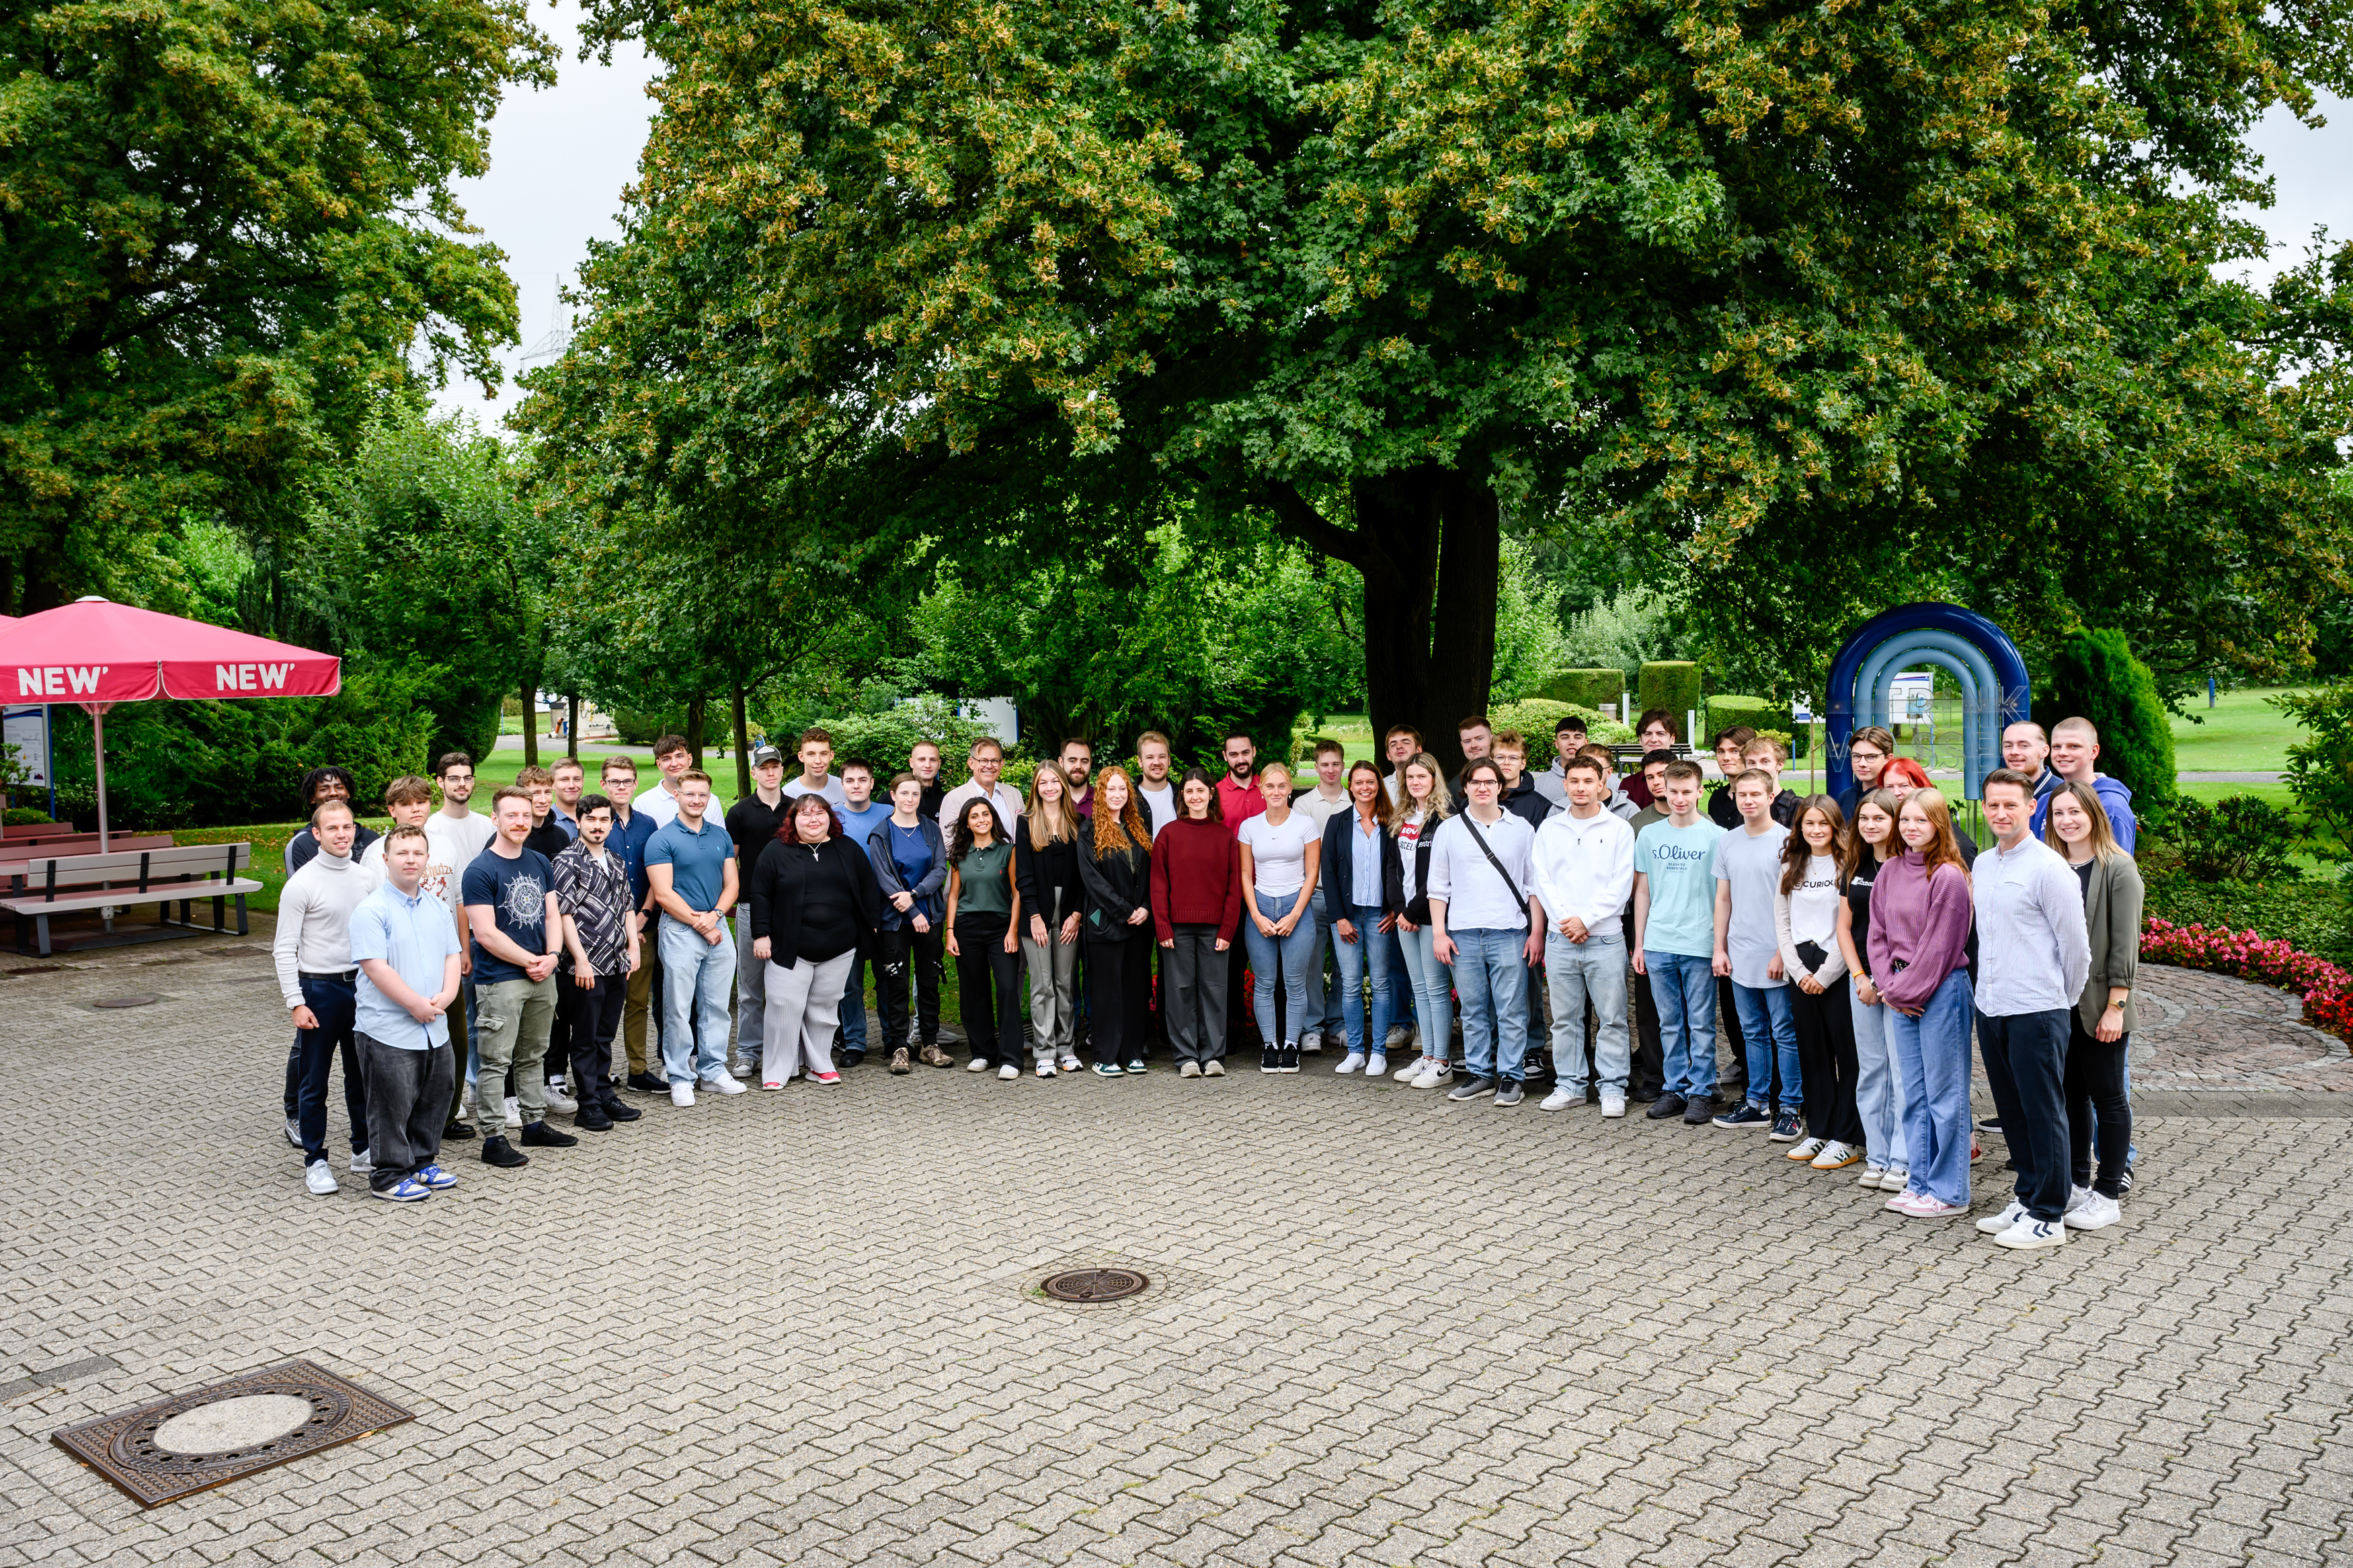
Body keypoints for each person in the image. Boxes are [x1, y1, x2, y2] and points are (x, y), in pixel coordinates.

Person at [1968, 768, 2093, 1250]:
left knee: (2045, 1112)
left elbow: (2076, 947)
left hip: (2038, 1009)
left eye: (2011, 805)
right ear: (1984, 808)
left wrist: (2060, 1000)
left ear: (2030, 808)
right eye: (1993, 805)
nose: (2001, 813)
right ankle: (2027, 1194)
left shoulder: (2048, 867)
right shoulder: (1982, 863)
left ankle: (2049, 1212)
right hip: (1992, 1004)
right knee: (2013, 1111)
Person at [1872, 788, 1977, 1220]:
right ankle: (1919, 1183)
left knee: (1945, 1097)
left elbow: (1940, 947)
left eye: (1922, 820)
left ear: (1939, 824)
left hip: (1941, 992)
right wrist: (1890, 987)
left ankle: (1950, 1192)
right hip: (1901, 992)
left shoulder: (1949, 876)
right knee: (1913, 1095)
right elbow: (1877, 936)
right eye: (1905, 820)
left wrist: (1901, 991)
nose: (1911, 828)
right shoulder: (1891, 870)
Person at [348, 823, 463, 1201]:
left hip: (435, 1023)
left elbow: (453, 954)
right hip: (388, 1027)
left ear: (427, 859)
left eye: (417, 853)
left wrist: (445, 997)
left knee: (435, 1094)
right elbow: (375, 967)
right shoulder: (371, 910)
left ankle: (421, 1162)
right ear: (386, 860)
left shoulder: (436, 906)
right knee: (391, 1103)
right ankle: (388, 1174)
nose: (410, 860)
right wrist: (416, 1004)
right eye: (402, 853)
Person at [2046, 780, 2141, 1233]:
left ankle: (2106, 1194)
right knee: (2070, 1096)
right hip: (2055, 1004)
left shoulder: (2118, 868)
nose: (2067, 820)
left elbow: (2125, 945)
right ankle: (2078, 1185)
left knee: (2108, 1097)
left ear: (2093, 815)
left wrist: (2116, 1006)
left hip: (2101, 1005)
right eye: (2059, 813)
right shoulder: (2051, 866)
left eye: (2075, 812)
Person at [461, 786, 572, 1167]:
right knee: (495, 1060)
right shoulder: (480, 869)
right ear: (495, 819)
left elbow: (551, 915)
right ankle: (493, 1138)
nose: (520, 822)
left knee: (534, 1055)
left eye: (525, 815)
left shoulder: (539, 861)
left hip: (544, 973)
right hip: (502, 979)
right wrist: (531, 960)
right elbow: (486, 933)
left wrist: (553, 956)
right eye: (511, 816)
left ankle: (533, 1123)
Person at [275, 797, 378, 1194]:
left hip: (363, 987)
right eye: (332, 828)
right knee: (314, 1081)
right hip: (319, 989)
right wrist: (295, 1001)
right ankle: (315, 1160)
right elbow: (284, 948)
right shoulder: (301, 884)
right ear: (316, 834)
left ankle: (362, 1149)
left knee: (361, 1076)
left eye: (348, 827)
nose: (342, 834)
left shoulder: (367, 879)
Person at [749, 792, 884, 1088]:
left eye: (820, 813)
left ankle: (819, 1064)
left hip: (839, 947)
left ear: (830, 817)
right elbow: (760, 895)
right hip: (789, 947)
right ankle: (778, 1069)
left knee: (823, 1010)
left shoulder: (847, 849)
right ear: (793, 820)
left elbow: (868, 886)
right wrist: (761, 935)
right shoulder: (775, 852)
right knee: (784, 1007)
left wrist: (872, 924)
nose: (814, 820)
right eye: (806, 815)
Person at [1429, 758, 1542, 1104]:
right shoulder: (1449, 829)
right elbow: (1438, 886)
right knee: (1474, 1009)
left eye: (1489, 782)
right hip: (1463, 933)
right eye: (1475, 782)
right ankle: (1480, 1074)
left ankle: (1511, 1077)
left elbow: (1533, 884)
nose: (1482, 788)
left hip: (1509, 932)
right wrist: (1439, 933)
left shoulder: (1521, 828)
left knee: (1511, 1010)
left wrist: (1536, 932)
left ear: (1499, 787)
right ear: (1464, 788)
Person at [1531, 756, 1636, 1116]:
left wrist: (1586, 921)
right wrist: (1565, 920)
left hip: (1605, 938)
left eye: (1588, 781)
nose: (1580, 788)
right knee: (1564, 1019)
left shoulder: (1620, 829)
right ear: (1565, 784)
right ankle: (1570, 1085)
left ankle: (1612, 1088)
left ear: (1602, 781)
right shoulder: (1550, 829)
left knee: (1611, 1017)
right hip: (1562, 939)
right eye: (1574, 781)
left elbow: (1621, 885)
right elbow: (1541, 879)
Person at [1633, 759, 1726, 1124]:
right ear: (1664, 791)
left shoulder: (1715, 836)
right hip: (1659, 942)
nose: (1680, 798)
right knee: (1668, 1022)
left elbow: (1723, 896)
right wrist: (1640, 943)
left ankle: (1701, 1091)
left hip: (1698, 942)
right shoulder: (1649, 835)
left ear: (1700, 791)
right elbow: (1643, 891)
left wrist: (1720, 945)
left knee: (1701, 1022)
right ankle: (1675, 1087)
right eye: (1673, 792)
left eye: (1688, 792)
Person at [1710, 770, 1802, 1137]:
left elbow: (1794, 903)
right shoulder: (1727, 843)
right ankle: (1756, 1103)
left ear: (1769, 797)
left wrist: (1784, 952)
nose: (1748, 801)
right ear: (1734, 798)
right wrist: (1720, 948)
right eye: (1742, 795)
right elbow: (1723, 898)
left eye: (1755, 795)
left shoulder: (1787, 842)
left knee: (1784, 1032)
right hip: (1740, 952)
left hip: (1775, 952)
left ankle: (1791, 1107)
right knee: (1752, 1031)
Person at [1776, 798, 1864, 1168]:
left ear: (1836, 826)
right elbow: (1782, 921)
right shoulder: (1791, 864)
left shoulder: (1848, 863)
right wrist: (1797, 971)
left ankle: (1848, 1137)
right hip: (1801, 966)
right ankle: (1820, 1131)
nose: (1815, 830)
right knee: (1812, 1054)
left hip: (1836, 968)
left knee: (1848, 1055)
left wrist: (1826, 975)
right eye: (1808, 824)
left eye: (1823, 824)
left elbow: (1852, 926)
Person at [645, 771, 742, 1106]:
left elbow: (732, 884)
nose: (697, 800)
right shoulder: (662, 839)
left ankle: (713, 1070)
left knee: (717, 1006)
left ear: (710, 798)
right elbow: (663, 893)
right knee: (678, 1007)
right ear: (678, 796)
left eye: (703, 795)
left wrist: (715, 917)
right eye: (690, 794)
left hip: (717, 929)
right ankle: (679, 1076)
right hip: (680, 930)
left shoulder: (721, 836)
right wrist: (702, 924)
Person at [551, 793, 643, 1132]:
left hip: (617, 961)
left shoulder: (616, 861)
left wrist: (633, 946)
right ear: (579, 822)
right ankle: (587, 1102)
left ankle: (605, 1093)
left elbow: (628, 907)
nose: (598, 826)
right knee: (585, 1036)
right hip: (585, 965)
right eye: (591, 820)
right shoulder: (565, 862)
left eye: (604, 820)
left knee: (606, 1034)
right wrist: (580, 959)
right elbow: (563, 914)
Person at [1835, 790, 1910, 1193]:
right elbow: (1844, 929)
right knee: (1872, 1071)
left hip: (1901, 983)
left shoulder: (1909, 866)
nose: (1870, 825)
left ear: (1896, 821)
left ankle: (1902, 1159)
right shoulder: (1855, 865)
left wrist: (1887, 981)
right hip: (1862, 982)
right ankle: (1878, 1156)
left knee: (1902, 1073)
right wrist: (1860, 976)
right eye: (1864, 818)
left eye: (1880, 818)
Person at [1152, 768, 1243, 1076]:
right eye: (1189, 792)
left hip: (1216, 929)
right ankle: (1186, 1058)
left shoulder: (1225, 835)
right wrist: (1163, 925)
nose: (1195, 797)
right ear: (1183, 797)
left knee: (1215, 990)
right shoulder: (1168, 834)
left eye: (1200, 791)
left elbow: (1235, 887)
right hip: (1176, 929)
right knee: (1180, 991)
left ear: (1210, 794)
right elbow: (1159, 884)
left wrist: (1229, 928)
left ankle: (1213, 1056)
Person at [1236, 760, 1322, 1073]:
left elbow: (1312, 872)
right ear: (1261, 790)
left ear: (1289, 789)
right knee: (1265, 983)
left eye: (1282, 786)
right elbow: (1246, 874)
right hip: (1260, 904)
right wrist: (1256, 915)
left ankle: (1290, 1046)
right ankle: (1270, 1046)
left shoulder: (1305, 825)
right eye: (1270, 786)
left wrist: (1295, 914)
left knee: (1295, 983)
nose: (1276, 791)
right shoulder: (1250, 827)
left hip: (1295, 905)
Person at [426, 753, 495, 1139]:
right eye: (453, 778)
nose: (462, 785)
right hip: (451, 938)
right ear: (440, 783)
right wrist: (462, 946)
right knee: (461, 1017)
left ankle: (480, 1083)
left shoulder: (486, 824)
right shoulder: (432, 828)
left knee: (484, 1015)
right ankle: (459, 1090)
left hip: (487, 932)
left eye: (468, 778)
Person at [1321, 761, 1398, 1077]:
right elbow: (1328, 871)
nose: (1365, 787)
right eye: (1358, 782)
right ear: (1350, 786)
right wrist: (1339, 918)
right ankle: (1355, 1051)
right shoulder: (1337, 822)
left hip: (1380, 916)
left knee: (1380, 984)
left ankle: (1378, 1052)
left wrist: (1396, 909)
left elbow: (1400, 870)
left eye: (1371, 782)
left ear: (1378, 785)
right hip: (1348, 917)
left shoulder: (1392, 823)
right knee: (1350, 985)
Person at [869, 772, 951, 1071]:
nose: (909, 799)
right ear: (893, 795)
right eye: (904, 793)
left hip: (930, 917)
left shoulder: (930, 829)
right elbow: (885, 878)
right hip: (895, 921)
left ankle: (930, 1044)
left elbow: (941, 868)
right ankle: (900, 1046)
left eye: (915, 794)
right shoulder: (881, 834)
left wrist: (916, 896)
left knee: (929, 979)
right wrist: (912, 912)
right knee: (897, 982)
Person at [1078, 766, 1156, 1075]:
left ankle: (1133, 1051)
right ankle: (1104, 1056)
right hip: (1107, 922)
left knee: (1136, 989)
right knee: (1108, 991)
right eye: (1111, 789)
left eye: (1123, 789)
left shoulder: (1137, 827)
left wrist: (1146, 907)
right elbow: (1092, 880)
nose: (1117, 795)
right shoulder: (1089, 830)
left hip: (1140, 923)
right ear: (1101, 793)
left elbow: (1150, 874)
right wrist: (1124, 910)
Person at [723, 745, 793, 1079]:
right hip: (751, 907)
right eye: (763, 768)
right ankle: (748, 1053)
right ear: (754, 773)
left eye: (775, 767)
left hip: (790, 909)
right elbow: (730, 863)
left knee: (787, 986)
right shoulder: (739, 813)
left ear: (783, 771)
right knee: (751, 986)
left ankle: (784, 1051)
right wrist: (733, 899)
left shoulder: (796, 809)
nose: (770, 772)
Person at [945, 796, 1026, 1079]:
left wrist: (1013, 931)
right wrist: (950, 932)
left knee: (1006, 989)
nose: (981, 819)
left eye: (986, 814)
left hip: (1000, 927)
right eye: (975, 816)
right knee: (973, 991)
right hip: (966, 927)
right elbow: (954, 895)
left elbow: (1017, 894)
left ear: (993, 817)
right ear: (967, 823)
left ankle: (1011, 1058)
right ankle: (982, 1053)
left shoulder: (1008, 850)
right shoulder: (959, 853)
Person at [1014, 763, 1086, 1075]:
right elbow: (1024, 875)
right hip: (1037, 912)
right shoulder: (1026, 822)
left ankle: (1066, 1049)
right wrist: (1033, 916)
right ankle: (1044, 1052)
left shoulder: (1078, 821)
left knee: (1065, 982)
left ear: (1062, 784)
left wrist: (1077, 914)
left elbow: (1086, 874)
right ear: (1036, 788)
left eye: (1054, 780)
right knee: (1042, 984)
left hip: (1070, 911)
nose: (1049, 787)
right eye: (1042, 782)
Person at [599, 755, 666, 1093]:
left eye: (627, 781)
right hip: (602, 933)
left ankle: (637, 1071)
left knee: (639, 1001)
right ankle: (601, 1072)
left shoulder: (648, 824)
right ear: (604, 785)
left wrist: (642, 917)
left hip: (643, 926)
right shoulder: (595, 822)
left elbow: (658, 874)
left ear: (636, 784)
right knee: (604, 1003)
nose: (621, 787)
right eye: (614, 781)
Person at [1390, 755, 1457, 1089]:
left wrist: (1413, 911)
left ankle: (1443, 1062)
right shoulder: (1402, 817)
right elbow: (1393, 867)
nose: (1415, 781)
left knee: (1436, 988)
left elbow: (1437, 873)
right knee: (1420, 989)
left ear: (1435, 778)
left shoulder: (1445, 819)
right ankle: (1428, 1056)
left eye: (1422, 776)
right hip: (1406, 917)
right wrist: (1401, 909)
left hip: (1431, 915)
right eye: (1410, 776)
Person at [1620, 750, 1679, 1102]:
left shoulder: (1703, 823)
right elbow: (1633, 883)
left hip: (1691, 929)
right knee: (1648, 1006)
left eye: (1665, 775)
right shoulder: (1638, 824)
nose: (1659, 782)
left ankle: (1695, 1076)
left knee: (1691, 1008)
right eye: (1652, 777)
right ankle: (1655, 1076)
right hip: (1649, 926)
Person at [1288, 739, 1353, 1054]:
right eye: (1324, 764)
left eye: (1336, 764)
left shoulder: (1353, 801)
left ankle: (1338, 1024)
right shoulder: (1304, 804)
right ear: (1316, 767)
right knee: (1312, 964)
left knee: (1345, 964)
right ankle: (1311, 1027)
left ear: (1343, 766)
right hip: (1313, 894)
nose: (1330, 770)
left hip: (1347, 897)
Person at [832, 760, 893, 1067]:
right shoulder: (830, 817)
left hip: (887, 908)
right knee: (850, 982)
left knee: (887, 976)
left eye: (863, 780)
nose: (856, 785)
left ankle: (892, 1039)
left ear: (872, 784)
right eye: (850, 780)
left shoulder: (888, 813)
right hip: (847, 911)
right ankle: (854, 1041)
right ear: (841, 784)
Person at [2040, 717, 2137, 851]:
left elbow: (2117, 868)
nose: (2062, 753)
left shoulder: (2112, 806)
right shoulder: (2044, 802)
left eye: (2074, 746)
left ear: (2094, 751)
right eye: (2057, 747)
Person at [1878, 758, 1980, 863]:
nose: (1896, 792)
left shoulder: (1952, 837)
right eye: (1889, 787)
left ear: (1921, 786)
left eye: (1904, 786)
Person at [286, 766, 383, 872]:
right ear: (312, 798)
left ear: (348, 793)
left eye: (340, 788)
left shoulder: (371, 838)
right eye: (324, 789)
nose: (333, 793)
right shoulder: (301, 844)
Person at [939, 736, 1026, 838]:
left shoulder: (1015, 794)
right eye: (983, 761)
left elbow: (1023, 837)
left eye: (995, 761)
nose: (989, 766)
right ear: (971, 763)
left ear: (1001, 764)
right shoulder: (954, 799)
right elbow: (948, 844)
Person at [1620, 711, 1682, 809]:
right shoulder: (1629, 785)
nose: (1654, 739)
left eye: (1661, 734)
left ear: (1672, 739)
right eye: (1648, 734)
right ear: (1640, 740)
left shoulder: (1685, 779)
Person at [633, 735, 699, 828]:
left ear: (690, 759)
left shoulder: (709, 800)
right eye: (667, 759)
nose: (675, 764)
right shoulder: (642, 804)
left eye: (679, 756)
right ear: (659, 765)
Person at [1834, 725, 1897, 821]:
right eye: (1856, 756)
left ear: (1888, 759)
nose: (1862, 764)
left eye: (1871, 757)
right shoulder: (1844, 798)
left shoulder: (1896, 797)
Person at [1740, 735, 1802, 827]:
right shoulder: (1744, 804)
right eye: (1751, 763)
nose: (1758, 768)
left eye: (1765, 761)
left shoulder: (1797, 806)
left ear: (1780, 765)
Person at [781, 727, 850, 810]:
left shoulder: (843, 788)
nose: (818, 761)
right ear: (801, 757)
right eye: (811, 754)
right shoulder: (788, 794)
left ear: (831, 756)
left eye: (823, 754)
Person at [1705, 727, 1757, 829]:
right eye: (1721, 752)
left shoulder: (1762, 798)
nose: (1726, 758)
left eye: (1735, 751)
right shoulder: (1717, 799)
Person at [1532, 714, 1589, 805]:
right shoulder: (1539, 784)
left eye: (1577, 737)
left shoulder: (1606, 781)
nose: (1572, 742)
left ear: (1586, 743)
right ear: (1556, 744)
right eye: (1565, 738)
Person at [1134, 732, 1179, 837]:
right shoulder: (1128, 798)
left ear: (1169, 760)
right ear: (1140, 762)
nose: (1157, 762)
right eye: (1150, 757)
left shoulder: (1184, 796)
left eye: (1162, 757)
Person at [1448, 715, 1494, 797]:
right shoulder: (1454, 787)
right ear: (1462, 745)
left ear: (1492, 739)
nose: (1473, 745)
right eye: (1467, 741)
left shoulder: (1509, 777)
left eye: (1479, 739)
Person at [1380, 725, 1423, 807]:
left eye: (1406, 742)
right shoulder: (1382, 787)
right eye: (1393, 744)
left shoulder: (1429, 783)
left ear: (1418, 750)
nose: (1399, 747)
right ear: (1388, 755)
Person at [908, 740, 947, 821]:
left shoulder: (947, 800)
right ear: (911, 763)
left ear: (939, 764)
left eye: (933, 760)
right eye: (922, 760)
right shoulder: (894, 798)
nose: (928, 765)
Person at [1058, 737, 1096, 820]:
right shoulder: (1052, 799)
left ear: (1090, 763)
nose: (1078, 766)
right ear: (1061, 762)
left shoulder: (1102, 800)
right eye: (1072, 761)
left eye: (1084, 762)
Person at [550, 758, 586, 839]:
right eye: (565, 780)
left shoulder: (596, 817)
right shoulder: (548, 822)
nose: (571, 786)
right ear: (552, 783)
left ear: (583, 781)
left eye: (577, 779)